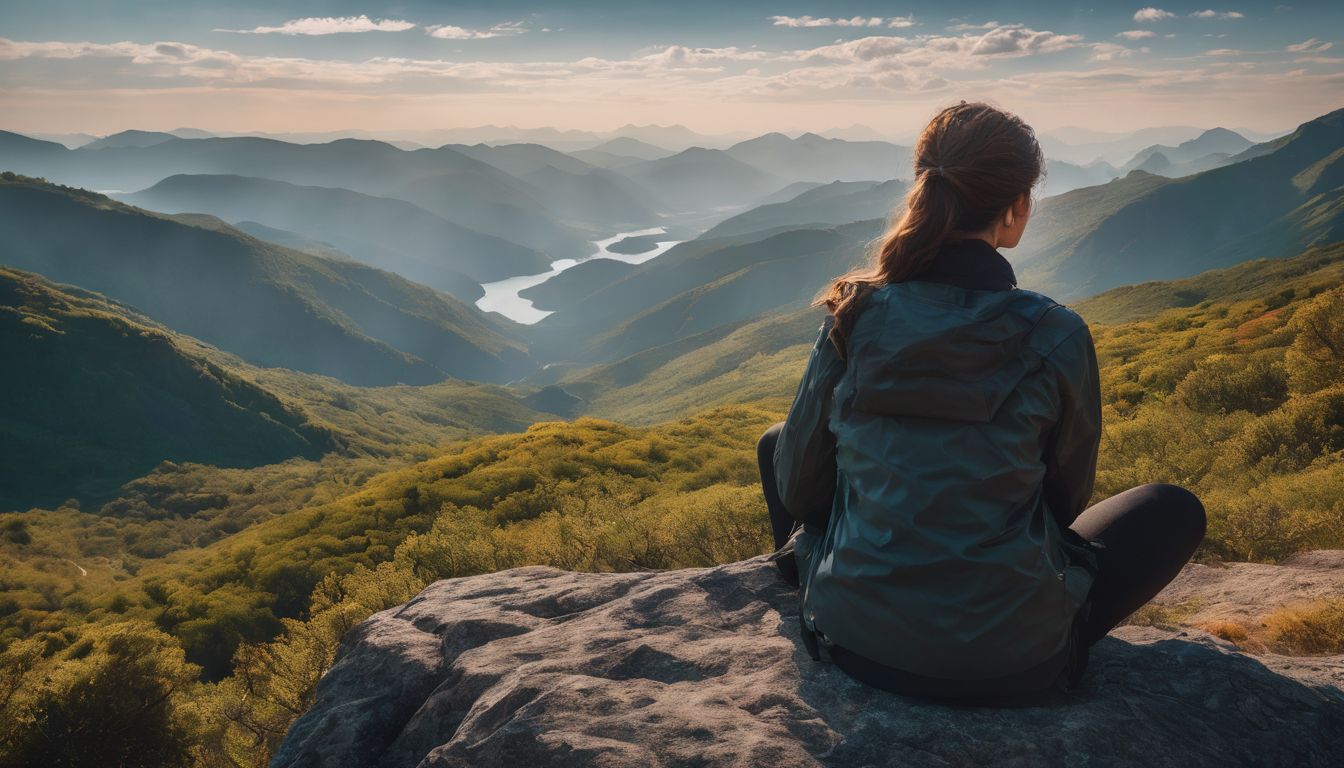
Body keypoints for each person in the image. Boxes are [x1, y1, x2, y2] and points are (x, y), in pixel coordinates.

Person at [756, 102, 1205, 700]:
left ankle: (846, 588)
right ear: (1018, 207)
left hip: (855, 648)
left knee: (777, 444)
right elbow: (1062, 498)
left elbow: (799, 492)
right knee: (1171, 509)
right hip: (1013, 665)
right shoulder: (1056, 334)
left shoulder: (854, 316)